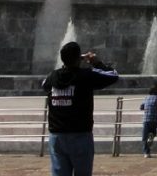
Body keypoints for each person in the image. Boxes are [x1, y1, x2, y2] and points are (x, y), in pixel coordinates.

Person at [41, 41, 119, 176]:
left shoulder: (52, 77)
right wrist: (96, 62)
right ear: (79, 59)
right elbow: (113, 75)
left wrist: (68, 63)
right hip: (80, 135)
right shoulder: (85, 76)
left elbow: (44, 85)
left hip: (57, 135)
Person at [139, 82, 157, 158]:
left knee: (144, 136)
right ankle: (152, 135)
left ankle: (146, 152)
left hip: (146, 119)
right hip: (155, 119)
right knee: (153, 131)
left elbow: (141, 107)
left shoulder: (146, 98)